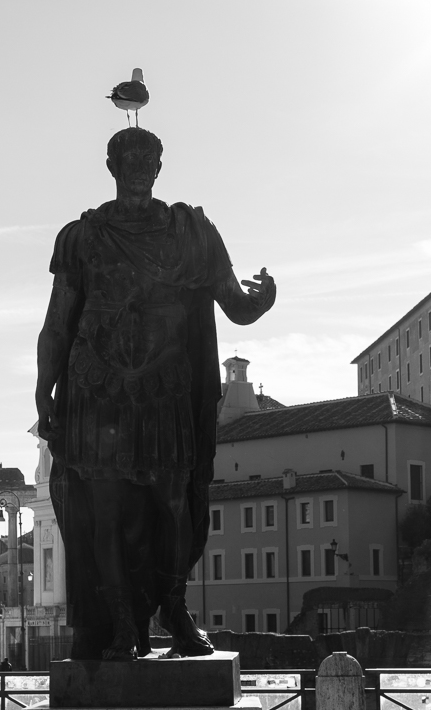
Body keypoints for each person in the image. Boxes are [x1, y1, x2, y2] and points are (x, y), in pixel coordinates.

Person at [36, 124, 276, 660]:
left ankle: (172, 606)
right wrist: (42, 391)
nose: (140, 166)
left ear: (160, 168)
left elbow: (234, 304)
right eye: (130, 157)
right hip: (97, 390)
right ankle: (120, 623)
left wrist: (262, 301)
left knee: (174, 506)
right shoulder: (81, 237)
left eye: (148, 158)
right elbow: (56, 322)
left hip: (165, 389)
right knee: (106, 511)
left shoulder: (190, 232)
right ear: (113, 167)